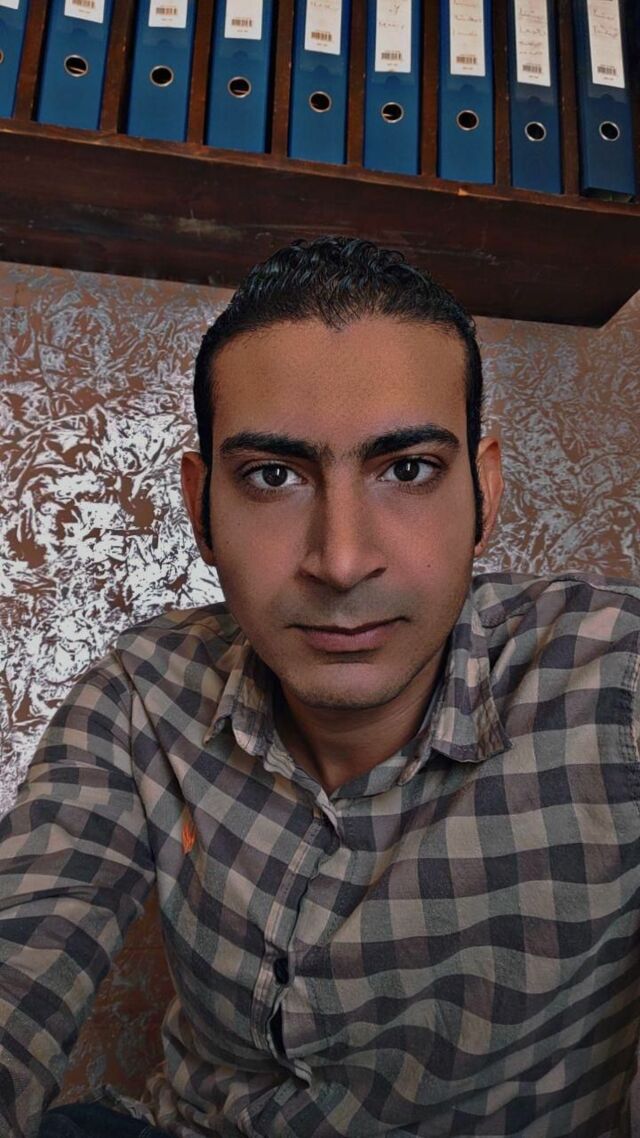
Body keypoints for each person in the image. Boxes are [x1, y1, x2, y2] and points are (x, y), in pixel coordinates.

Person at [0, 234, 638, 1138]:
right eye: (273, 476)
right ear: (201, 507)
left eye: (408, 470)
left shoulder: (616, 686)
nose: (341, 561)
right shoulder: (144, 691)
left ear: (485, 495)